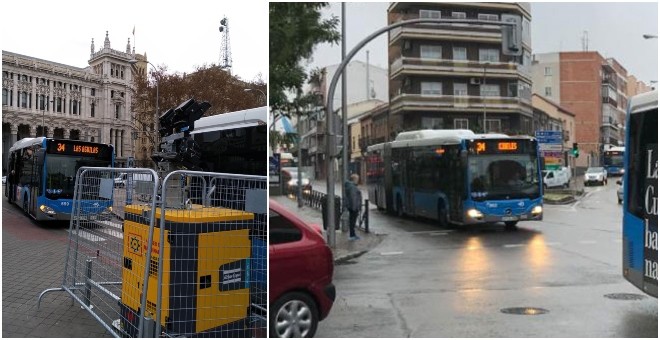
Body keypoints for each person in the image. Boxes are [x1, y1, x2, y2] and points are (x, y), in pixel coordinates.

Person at [344, 174, 362, 241]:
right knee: (352, 221)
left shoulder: (351, 186)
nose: (358, 180)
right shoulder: (352, 187)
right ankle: (352, 235)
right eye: (357, 179)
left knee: (352, 221)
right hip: (353, 207)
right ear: (354, 179)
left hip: (351, 206)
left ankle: (353, 234)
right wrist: (355, 207)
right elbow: (353, 197)